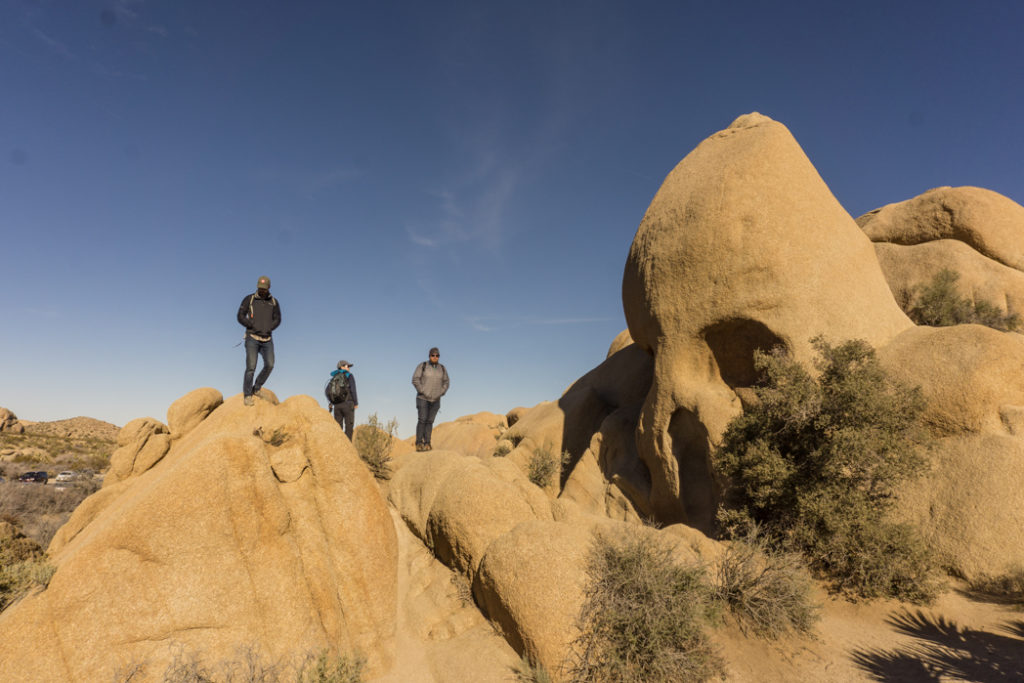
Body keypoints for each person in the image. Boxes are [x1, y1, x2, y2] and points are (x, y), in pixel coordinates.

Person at [237, 275, 281, 406]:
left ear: (268, 288)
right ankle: (247, 395)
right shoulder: (249, 299)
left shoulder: (274, 302)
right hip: (252, 338)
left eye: (264, 288)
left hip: (267, 339)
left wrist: (269, 327)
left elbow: (277, 319)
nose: (262, 290)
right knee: (251, 367)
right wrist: (249, 324)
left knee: (270, 364)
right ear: (257, 286)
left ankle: (257, 387)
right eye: (260, 288)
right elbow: (240, 315)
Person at [412, 347, 449, 451]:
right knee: (422, 420)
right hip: (422, 398)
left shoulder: (442, 368)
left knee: (430, 421)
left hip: (436, 400)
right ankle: (419, 443)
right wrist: (422, 390)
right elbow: (415, 379)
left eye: (437, 355)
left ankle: (427, 443)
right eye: (433, 355)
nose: (435, 357)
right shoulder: (423, 366)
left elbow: (446, 382)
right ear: (429, 356)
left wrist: (441, 392)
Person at [325, 360, 358, 439]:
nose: (349, 368)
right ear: (342, 367)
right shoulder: (349, 375)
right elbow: (353, 389)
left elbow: (327, 391)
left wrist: (331, 402)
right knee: (349, 427)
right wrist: (356, 402)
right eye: (347, 366)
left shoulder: (334, 377)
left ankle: (337, 447)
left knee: (338, 428)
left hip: (337, 406)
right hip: (348, 404)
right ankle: (347, 448)